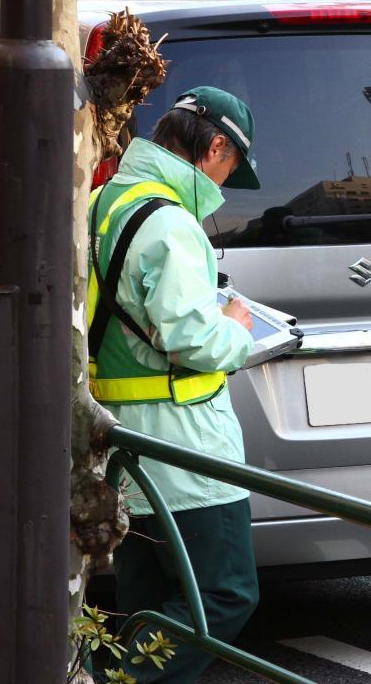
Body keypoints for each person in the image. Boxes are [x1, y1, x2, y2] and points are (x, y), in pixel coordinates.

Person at [87, 86, 262, 683]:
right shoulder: (171, 223)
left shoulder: (105, 200)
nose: (224, 183)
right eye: (230, 167)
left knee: (144, 597)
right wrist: (238, 330)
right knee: (223, 594)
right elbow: (192, 338)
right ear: (215, 146)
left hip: (123, 442)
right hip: (188, 451)